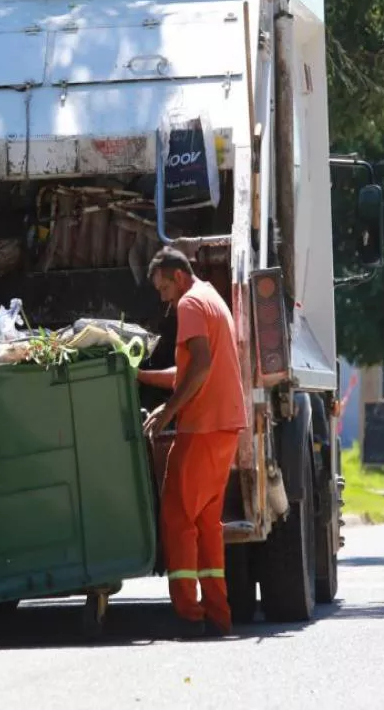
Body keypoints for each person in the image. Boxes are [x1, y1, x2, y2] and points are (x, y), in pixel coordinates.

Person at [138, 247, 246, 638]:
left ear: (176, 276)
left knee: (177, 517)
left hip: (202, 427)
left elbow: (199, 366)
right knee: (205, 522)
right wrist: (143, 376)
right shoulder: (212, 298)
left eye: (163, 287)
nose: (163, 296)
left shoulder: (190, 305)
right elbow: (190, 370)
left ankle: (188, 614)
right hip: (224, 426)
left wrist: (167, 411)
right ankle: (218, 615)